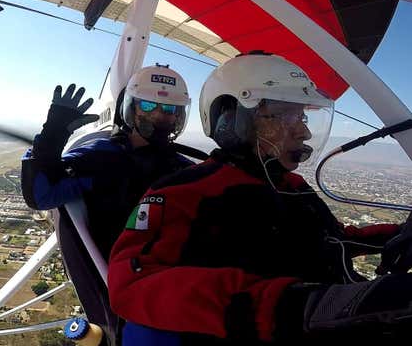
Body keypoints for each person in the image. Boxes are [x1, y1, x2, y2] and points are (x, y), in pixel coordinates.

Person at [108, 52, 412, 344]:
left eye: (302, 116)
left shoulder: (292, 185)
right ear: (233, 119)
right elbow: (131, 285)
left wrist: (399, 235)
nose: (304, 132)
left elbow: (334, 239)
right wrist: (299, 307)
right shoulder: (184, 192)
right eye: (285, 116)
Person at [21, 64, 195, 346]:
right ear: (131, 109)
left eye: (171, 109)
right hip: (129, 293)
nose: (162, 116)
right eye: (150, 105)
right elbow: (41, 194)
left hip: (180, 286)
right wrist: (52, 135)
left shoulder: (184, 168)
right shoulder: (103, 158)